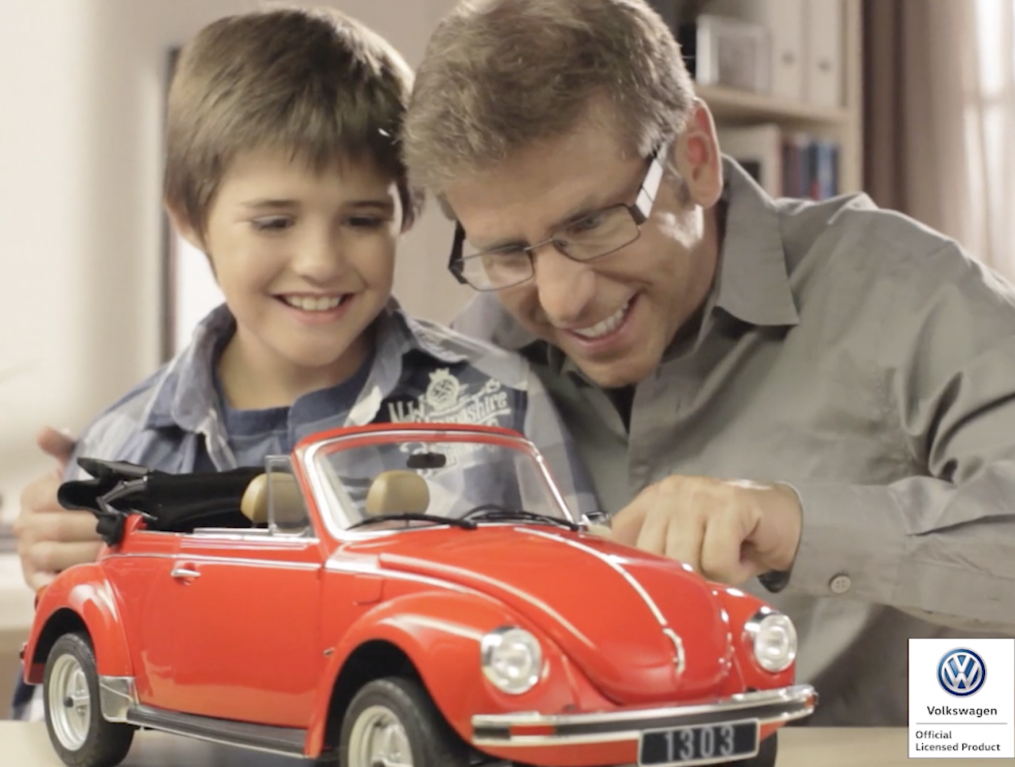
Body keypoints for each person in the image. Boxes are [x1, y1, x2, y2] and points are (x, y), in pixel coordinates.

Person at [400, 0, 1015, 725]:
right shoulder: (473, 366)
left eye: (593, 222)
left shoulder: (906, 289)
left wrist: (790, 522)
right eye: (509, 252)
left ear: (693, 157)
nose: (561, 298)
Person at [10, 5, 593, 721]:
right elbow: (59, 710)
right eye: (275, 221)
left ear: (406, 214)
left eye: (361, 219)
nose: (320, 262)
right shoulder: (119, 450)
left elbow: (578, 619)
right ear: (190, 219)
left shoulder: (500, 403)